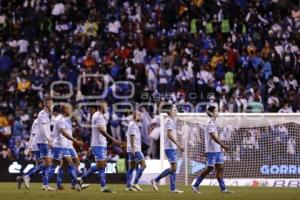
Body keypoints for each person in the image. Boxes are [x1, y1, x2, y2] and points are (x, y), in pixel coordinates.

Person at [77, 102, 121, 193]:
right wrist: (112, 139)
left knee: (102, 165)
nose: (107, 108)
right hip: (98, 144)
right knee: (101, 165)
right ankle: (81, 178)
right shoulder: (99, 116)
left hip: (101, 143)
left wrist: (107, 142)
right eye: (106, 106)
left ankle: (103, 187)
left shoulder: (97, 115)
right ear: (101, 107)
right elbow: (101, 130)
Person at [191, 106, 232, 193]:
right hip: (212, 150)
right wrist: (223, 145)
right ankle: (195, 185)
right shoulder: (209, 123)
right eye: (216, 111)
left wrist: (220, 146)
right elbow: (213, 136)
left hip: (217, 150)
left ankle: (223, 188)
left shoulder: (214, 123)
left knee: (220, 168)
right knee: (209, 168)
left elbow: (215, 136)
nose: (218, 112)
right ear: (212, 113)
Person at [50, 104, 83, 192]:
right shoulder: (60, 119)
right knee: (69, 163)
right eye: (69, 109)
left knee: (76, 162)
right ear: (65, 110)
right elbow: (63, 133)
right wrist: (76, 141)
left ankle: (65, 184)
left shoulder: (67, 119)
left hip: (68, 144)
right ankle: (76, 183)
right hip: (60, 144)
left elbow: (74, 116)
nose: (70, 110)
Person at [151, 106, 184, 193]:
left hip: (172, 147)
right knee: (174, 167)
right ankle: (156, 180)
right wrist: (179, 145)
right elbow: (169, 135)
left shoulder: (172, 121)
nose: (176, 111)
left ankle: (173, 189)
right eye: (174, 110)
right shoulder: (168, 121)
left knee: (174, 168)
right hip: (169, 147)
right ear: (169, 112)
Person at [16, 116, 43, 189]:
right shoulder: (43, 121)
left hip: (36, 145)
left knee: (40, 166)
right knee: (43, 165)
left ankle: (22, 178)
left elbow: (32, 135)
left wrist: (30, 147)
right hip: (41, 145)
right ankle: (27, 176)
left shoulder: (35, 122)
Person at [35, 97, 55, 191]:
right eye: (51, 103)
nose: (52, 105)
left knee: (47, 163)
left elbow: (47, 129)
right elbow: (43, 130)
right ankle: (28, 175)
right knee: (48, 163)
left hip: (44, 141)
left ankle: (45, 185)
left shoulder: (47, 115)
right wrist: (49, 140)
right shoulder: (42, 114)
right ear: (46, 103)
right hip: (43, 141)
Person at [126, 111, 146, 192]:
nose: (140, 116)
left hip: (132, 148)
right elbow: (131, 137)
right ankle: (135, 182)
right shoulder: (132, 125)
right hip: (135, 148)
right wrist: (133, 148)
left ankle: (128, 186)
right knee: (144, 165)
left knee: (131, 168)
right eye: (139, 115)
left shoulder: (134, 124)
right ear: (134, 116)